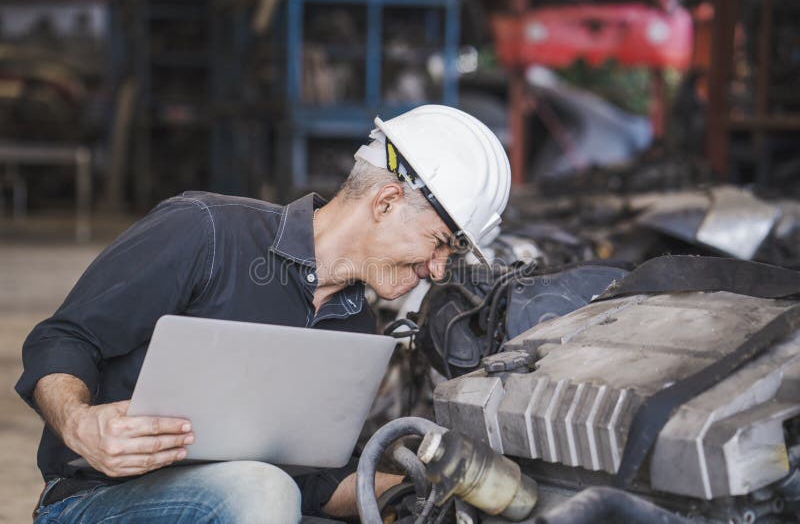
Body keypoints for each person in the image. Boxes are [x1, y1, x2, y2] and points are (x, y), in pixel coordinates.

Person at [16, 105, 511, 523]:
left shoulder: (356, 328)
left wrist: (427, 499)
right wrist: (81, 422)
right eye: (440, 243)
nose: (439, 269)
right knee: (263, 491)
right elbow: (64, 338)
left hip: (251, 502)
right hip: (96, 500)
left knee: (274, 491)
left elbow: (312, 484)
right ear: (385, 202)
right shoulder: (206, 232)